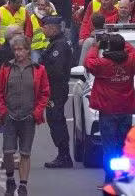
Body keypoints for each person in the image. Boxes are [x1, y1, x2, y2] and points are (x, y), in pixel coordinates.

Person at [0, 37, 49, 196]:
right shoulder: (6, 68)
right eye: (15, 50)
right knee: (8, 152)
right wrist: (3, 111)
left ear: (28, 50)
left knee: (25, 153)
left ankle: (23, 185)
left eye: (21, 49)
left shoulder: (39, 69)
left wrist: (36, 112)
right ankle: (10, 179)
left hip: (28, 117)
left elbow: (45, 93)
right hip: (10, 116)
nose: (18, 53)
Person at [85, 33, 135, 186]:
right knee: (123, 145)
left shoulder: (102, 64)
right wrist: (123, 42)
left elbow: (88, 61)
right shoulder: (131, 61)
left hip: (108, 112)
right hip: (125, 110)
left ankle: (110, 179)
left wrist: (96, 45)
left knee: (110, 146)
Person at [39, 16, 74, 168]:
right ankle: (62, 154)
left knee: (56, 119)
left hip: (56, 88)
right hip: (54, 88)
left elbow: (57, 70)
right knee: (54, 120)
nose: (43, 29)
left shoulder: (59, 46)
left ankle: (64, 155)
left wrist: (42, 72)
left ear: (53, 27)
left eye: (45, 26)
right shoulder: (55, 44)